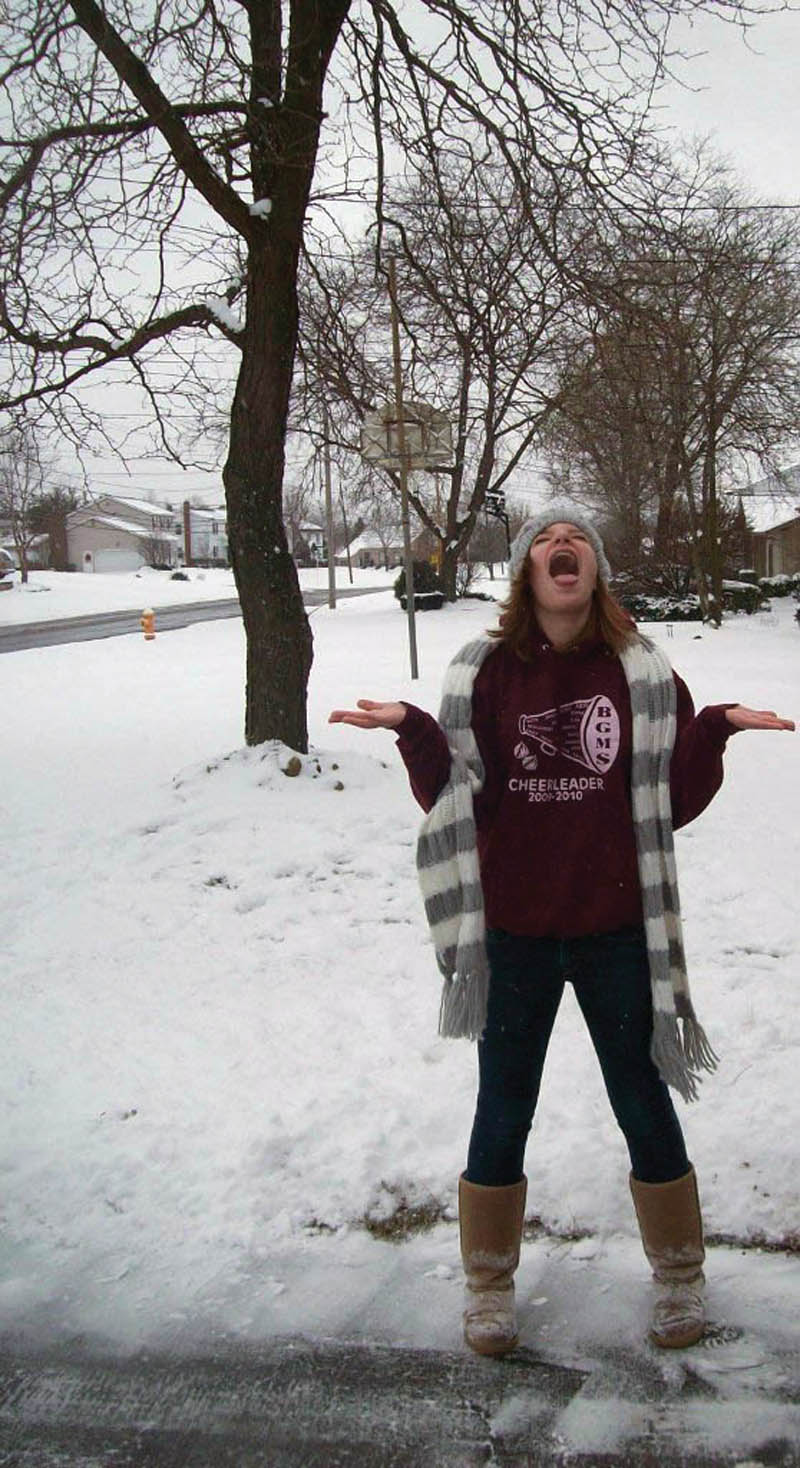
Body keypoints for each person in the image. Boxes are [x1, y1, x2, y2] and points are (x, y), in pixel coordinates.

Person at [329, 505, 794, 1358]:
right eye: (543, 540)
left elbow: (670, 802)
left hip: (617, 929)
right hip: (515, 935)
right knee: (503, 1109)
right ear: (525, 572)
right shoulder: (485, 673)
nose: (561, 546)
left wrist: (716, 729)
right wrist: (416, 732)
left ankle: (681, 1274)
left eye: (574, 538)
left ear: (596, 568)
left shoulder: (645, 673)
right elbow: (460, 801)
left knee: (642, 1101)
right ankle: (487, 1287)